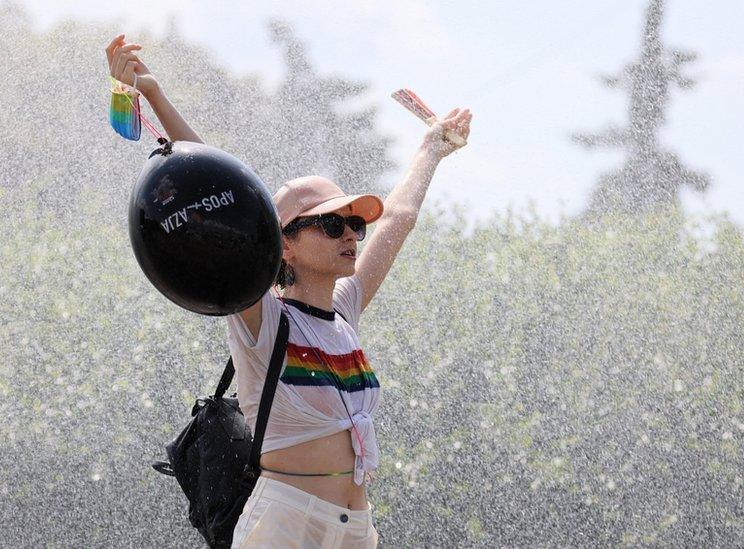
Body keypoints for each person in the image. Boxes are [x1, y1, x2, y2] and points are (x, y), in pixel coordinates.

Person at [106, 34, 472, 548]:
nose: (350, 234)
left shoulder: (344, 309)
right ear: (284, 245)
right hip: (285, 523)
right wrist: (155, 95)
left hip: (357, 528)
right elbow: (220, 188)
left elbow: (401, 218)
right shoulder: (262, 317)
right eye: (330, 225)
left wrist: (432, 146)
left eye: (354, 225)